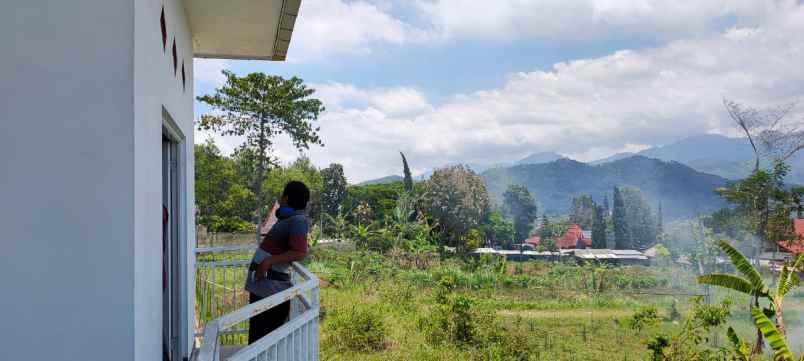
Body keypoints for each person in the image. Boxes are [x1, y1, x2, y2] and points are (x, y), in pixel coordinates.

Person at [246, 181, 311, 344]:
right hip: (263, 287)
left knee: (262, 342)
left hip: (271, 290)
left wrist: (268, 261)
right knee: (257, 339)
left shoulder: (298, 220)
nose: (280, 200)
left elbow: (300, 252)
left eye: (282, 197)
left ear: (286, 198)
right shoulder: (288, 219)